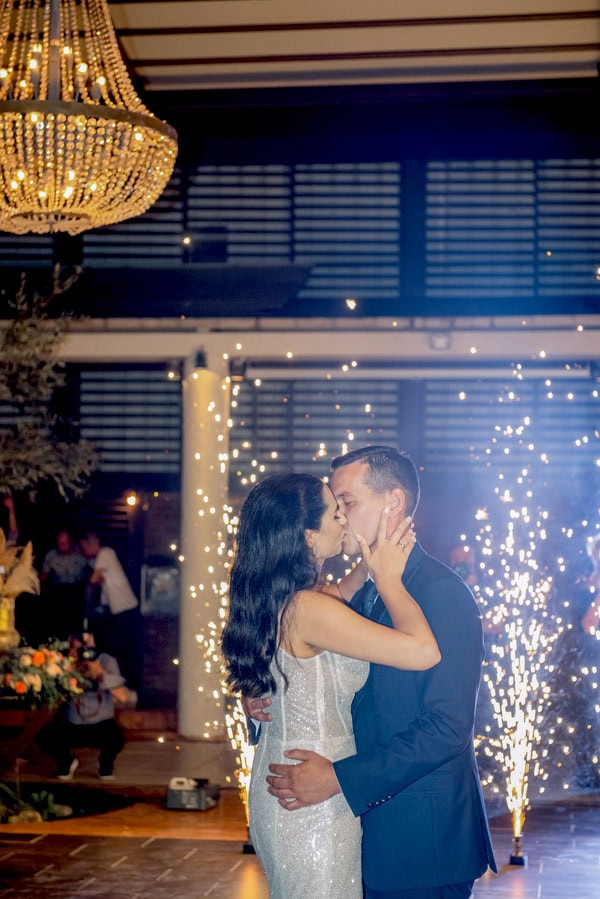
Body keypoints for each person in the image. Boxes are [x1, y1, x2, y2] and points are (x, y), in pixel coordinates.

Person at [253, 446, 497, 899]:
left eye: (347, 502)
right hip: (349, 829)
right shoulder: (357, 589)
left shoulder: (441, 592)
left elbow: (448, 728)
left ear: (394, 502)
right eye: (336, 506)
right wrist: (266, 698)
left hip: (419, 841)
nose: (340, 517)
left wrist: (340, 779)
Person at [221, 471, 440, 899]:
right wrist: (389, 581)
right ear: (308, 536)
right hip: (311, 800)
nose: (344, 520)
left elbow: (339, 593)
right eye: (336, 514)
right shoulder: (308, 609)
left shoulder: (280, 596)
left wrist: (371, 562)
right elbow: (423, 652)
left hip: (291, 781)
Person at [36, 633, 127, 781]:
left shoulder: (106, 660)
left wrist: (100, 673)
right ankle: (66, 762)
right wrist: (70, 669)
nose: (84, 651)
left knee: (117, 738)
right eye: (75, 646)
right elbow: (53, 695)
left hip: (101, 726)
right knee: (43, 735)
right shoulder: (64, 662)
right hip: (72, 725)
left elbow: (122, 697)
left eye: (86, 645)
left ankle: (105, 764)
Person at [78, 530, 140, 688]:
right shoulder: (105, 557)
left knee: (123, 648)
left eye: (84, 547)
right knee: (119, 647)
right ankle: (122, 683)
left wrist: (86, 585)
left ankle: (127, 685)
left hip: (125, 608)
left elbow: (93, 580)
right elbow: (101, 581)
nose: (83, 552)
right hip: (120, 610)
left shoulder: (105, 553)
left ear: (91, 544)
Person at [40, 528, 89, 640]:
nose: (62, 545)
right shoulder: (51, 555)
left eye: (65, 542)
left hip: (77, 593)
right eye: (59, 542)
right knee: (59, 626)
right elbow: (43, 576)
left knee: (76, 628)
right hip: (58, 593)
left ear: (70, 541)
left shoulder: (81, 553)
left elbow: (92, 571)